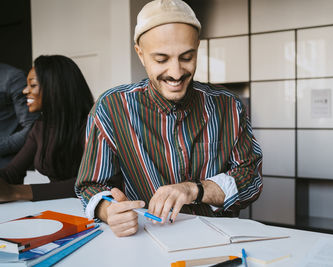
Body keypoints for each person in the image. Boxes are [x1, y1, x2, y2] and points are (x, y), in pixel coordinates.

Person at [75, 0, 263, 237]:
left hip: (219, 241)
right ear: (140, 54)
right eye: (161, 59)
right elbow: (90, 185)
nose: (176, 73)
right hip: (146, 242)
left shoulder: (229, 106)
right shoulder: (111, 108)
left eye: (186, 57)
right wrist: (108, 210)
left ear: (197, 48)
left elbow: (251, 179)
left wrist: (196, 189)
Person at [0, 55, 94, 202]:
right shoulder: (40, 126)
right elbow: (12, 172)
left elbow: (89, 183)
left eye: (32, 85)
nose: (25, 91)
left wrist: (16, 192)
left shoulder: (92, 125)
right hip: (56, 208)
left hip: (90, 211)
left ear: (54, 87)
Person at [0, 63, 39, 168]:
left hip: (6, 163)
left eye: (33, 85)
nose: (26, 91)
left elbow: (32, 128)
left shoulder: (12, 78)